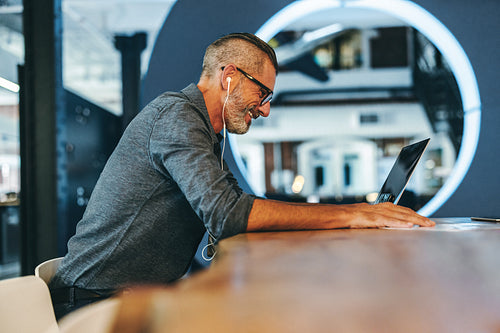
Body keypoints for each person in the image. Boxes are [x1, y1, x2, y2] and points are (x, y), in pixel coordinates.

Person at [49, 32, 434, 319]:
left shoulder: (206, 132)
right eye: (263, 94)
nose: (264, 111)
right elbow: (228, 214)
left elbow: (234, 204)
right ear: (229, 75)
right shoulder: (178, 118)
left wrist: (347, 217)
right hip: (97, 302)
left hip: (130, 294)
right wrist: (353, 213)